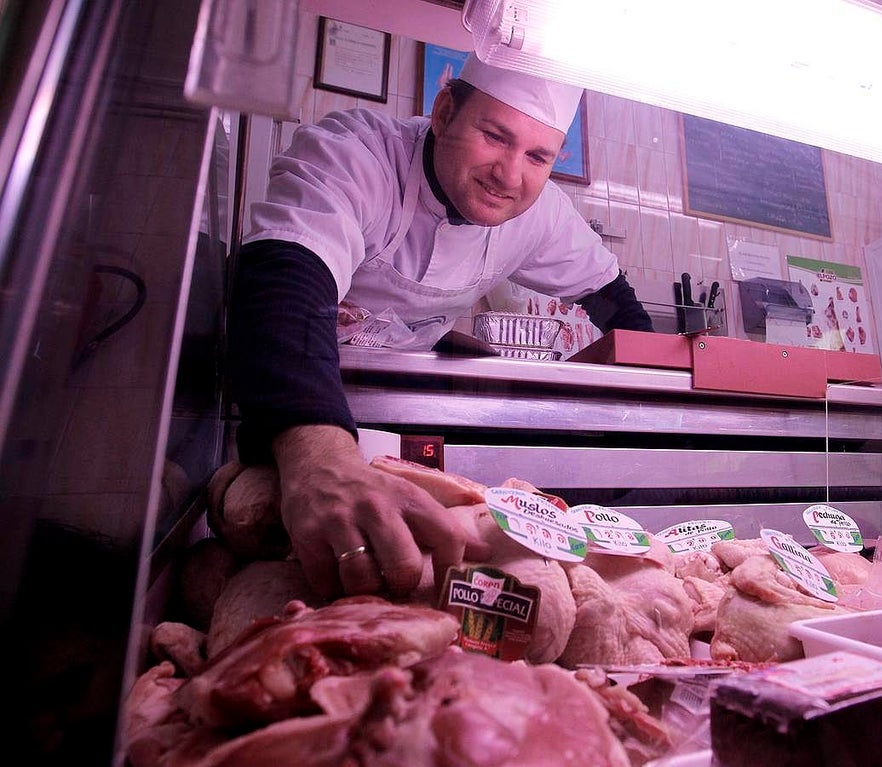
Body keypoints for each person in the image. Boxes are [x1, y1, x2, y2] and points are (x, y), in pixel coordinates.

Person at [226, 53, 653, 600]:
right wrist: (317, 459)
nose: (509, 176)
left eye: (537, 156)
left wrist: (650, 424)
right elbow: (285, 280)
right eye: (495, 137)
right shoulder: (358, 154)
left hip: (409, 419)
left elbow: (618, 306)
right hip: (297, 412)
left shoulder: (543, 214)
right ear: (445, 112)